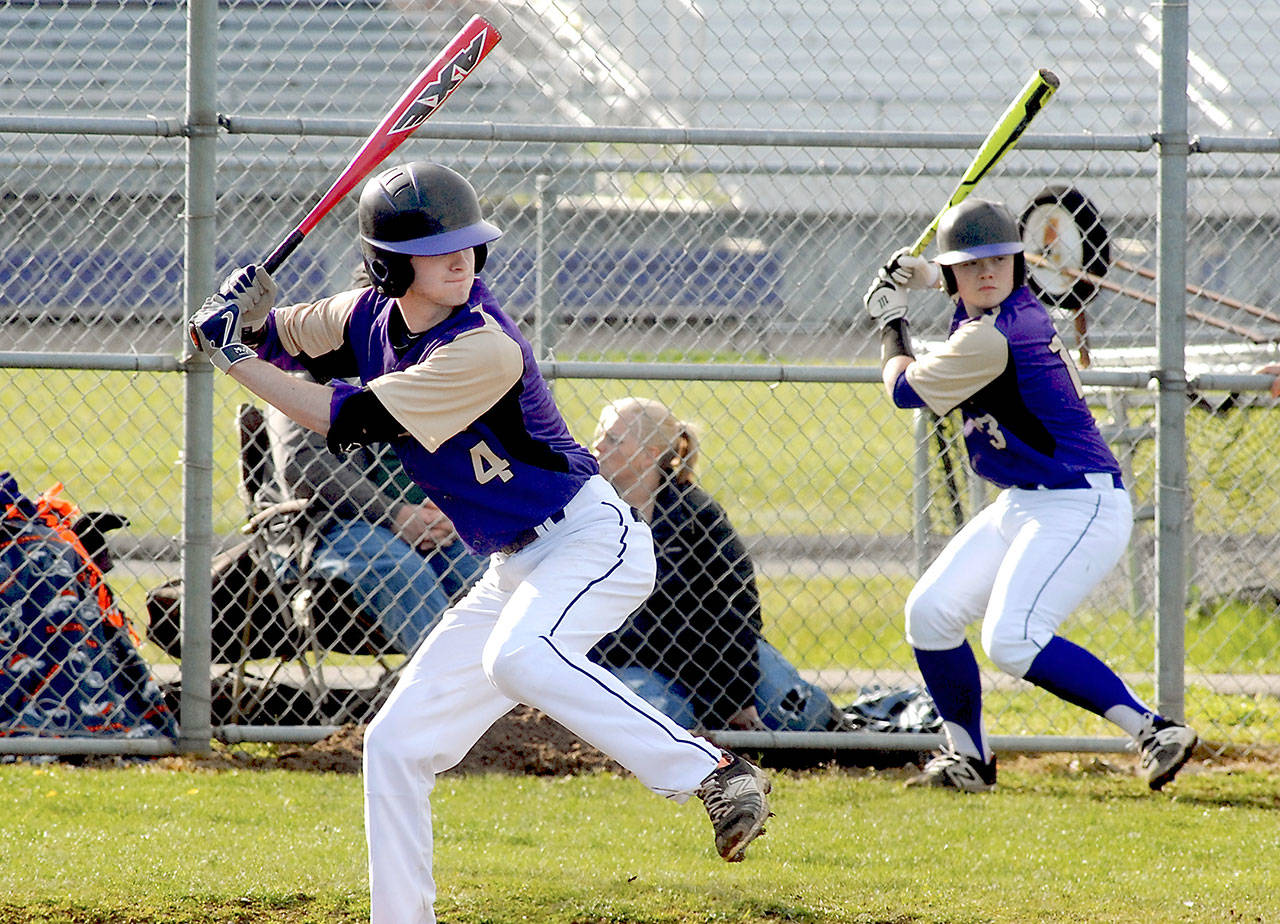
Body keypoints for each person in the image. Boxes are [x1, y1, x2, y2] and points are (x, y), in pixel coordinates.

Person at [187, 161, 771, 923]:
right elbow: (295, 340)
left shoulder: (483, 346)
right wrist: (244, 317)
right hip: (514, 563)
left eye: (469, 244)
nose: (461, 259)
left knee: (518, 658)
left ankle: (714, 773)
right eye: (438, 249)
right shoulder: (364, 313)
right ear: (391, 264)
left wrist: (233, 355)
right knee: (395, 744)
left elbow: (347, 418)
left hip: (590, 540)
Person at [862, 197, 1198, 793]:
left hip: (1079, 500)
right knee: (931, 613)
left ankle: (1153, 730)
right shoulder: (998, 302)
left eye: (1002, 260)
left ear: (1019, 263)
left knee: (1012, 637)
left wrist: (891, 322)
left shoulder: (993, 336)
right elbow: (953, 280)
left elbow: (904, 390)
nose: (988, 272)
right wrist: (913, 272)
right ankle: (970, 759)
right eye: (972, 264)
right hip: (1027, 499)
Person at [588, 396, 844, 732]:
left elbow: (736, 605)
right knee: (666, 722)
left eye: (613, 439)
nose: (597, 445)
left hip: (706, 657)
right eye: (600, 435)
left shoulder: (697, 514)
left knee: (797, 714)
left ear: (650, 454)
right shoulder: (586, 510)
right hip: (625, 659)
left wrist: (735, 698)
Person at [263, 381, 487, 655]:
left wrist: (447, 508)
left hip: (410, 526)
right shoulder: (295, 381)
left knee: (479, 566)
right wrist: (395, 515)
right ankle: (446, 686)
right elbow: (308, 469)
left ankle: (500, 683)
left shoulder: (385, 368)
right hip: (325, 527)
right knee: (403, 571)